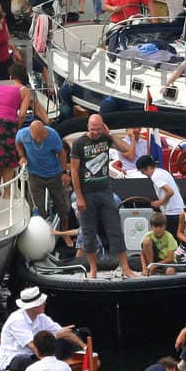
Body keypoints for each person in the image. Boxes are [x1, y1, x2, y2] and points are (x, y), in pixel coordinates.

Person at [68, 114, 136, 278]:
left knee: (115, 229)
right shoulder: (79, 143)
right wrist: (79, 196)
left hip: (105, 191)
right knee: (88, 232)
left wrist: (110, 134)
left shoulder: (106, 138)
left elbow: (126, 149)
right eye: (93, 130)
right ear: (88, 127)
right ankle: (93, 269)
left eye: (98, 129)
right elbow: (74, 171)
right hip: (87, 193)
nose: (96, 133)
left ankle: (126, 268)